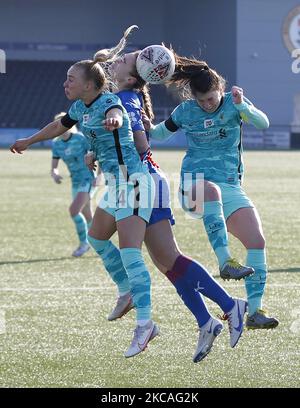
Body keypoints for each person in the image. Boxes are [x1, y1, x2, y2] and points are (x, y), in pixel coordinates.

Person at [85, 27, 249, 363]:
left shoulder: (126, 98)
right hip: (145, 180)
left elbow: (140, 143)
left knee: (157, 258)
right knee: (169, 262)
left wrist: (122, 141)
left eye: (127, 59)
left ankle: (144, 305)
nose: (120, 60)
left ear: (133, 77)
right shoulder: (128, 96)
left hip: (140, 182)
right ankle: (214, 316)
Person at [10, 55, 158, 358]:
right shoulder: (80, 107)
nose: (65, 83)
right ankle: (126, 290)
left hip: (134, 183)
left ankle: (145, 324)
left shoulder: (108, 102)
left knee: (131, 253)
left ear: (90, 85)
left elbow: (116, 113)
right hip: (117, 185)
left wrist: (116, 121)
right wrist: (30, 140)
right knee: (96, 237)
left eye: (71, 79)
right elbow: (58, 126)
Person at [147, 52, 279, 330]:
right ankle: (225, 261)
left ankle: (255, 312)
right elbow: (159, 134)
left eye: (212, 98)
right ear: (193, 97)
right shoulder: (185, 112)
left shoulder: (234, 103)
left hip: (229, 184)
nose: (208, 104)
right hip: (194, 185)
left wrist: (245, 107)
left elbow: (263, 123)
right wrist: (143, 124)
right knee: (210, 192)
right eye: (202, 100)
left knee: (257, 241)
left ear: (220, 89)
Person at [51, 112, 96, 257]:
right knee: (87, 215)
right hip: (75, 181)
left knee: (74, 210)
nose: (61, 127)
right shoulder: (56, 144)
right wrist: (54, 173)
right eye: (58, 124)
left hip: (87, 179)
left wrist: (99, 173)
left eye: (63, 124)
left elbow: (95, 153)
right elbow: (54, 165)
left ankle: (84, 244)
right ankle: (102, 242)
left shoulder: (80, 139)